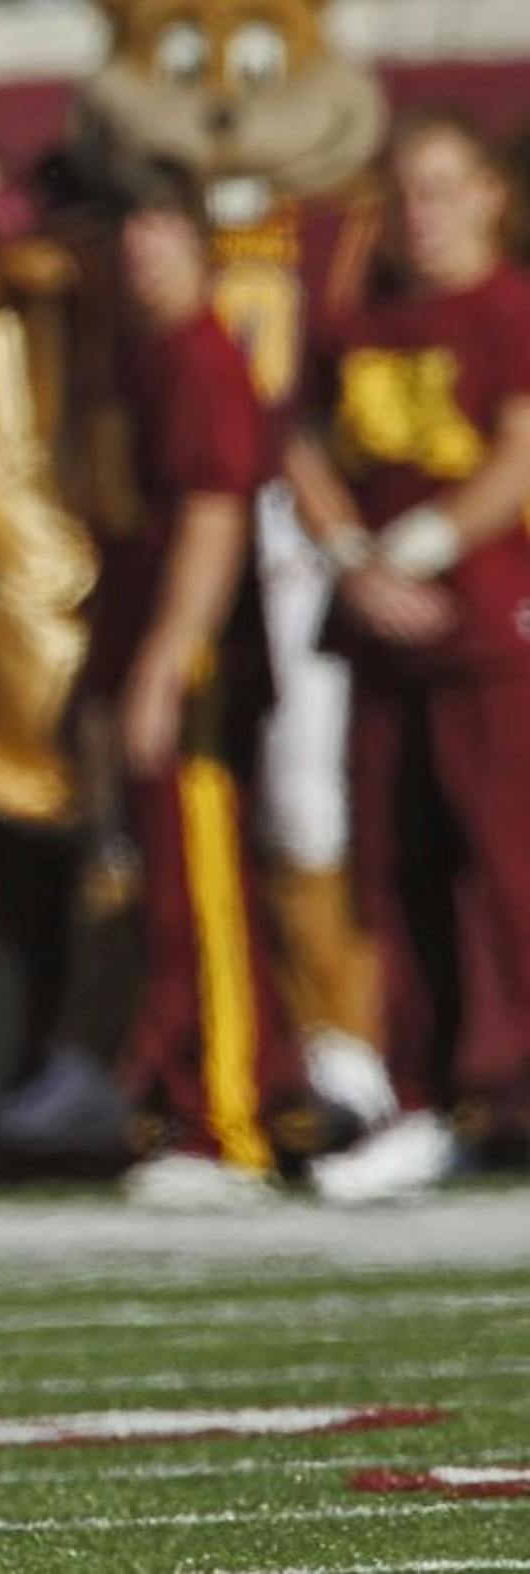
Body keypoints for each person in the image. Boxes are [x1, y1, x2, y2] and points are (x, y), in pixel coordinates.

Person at [287, 109, 530, 1201]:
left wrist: (421, 546)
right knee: (399, 874)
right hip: (386, 639)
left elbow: (520, 454)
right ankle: (432, 1099)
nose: (421, 214)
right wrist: (353, 556)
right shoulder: (360, 321)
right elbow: (295, 440)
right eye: (406, 192)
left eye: (443, 188)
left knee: (512, 867)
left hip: (487, 630)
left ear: (491, 196)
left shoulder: (508, 309)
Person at [69, 170, 304, 1202]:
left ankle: (229, 1116)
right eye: (133, 227)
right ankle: (208, 1093)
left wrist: (163, 662)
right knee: (163, 890)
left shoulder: (201, 355)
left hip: (194, 665)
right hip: (141, 649)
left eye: (166, 226)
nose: (144, 248)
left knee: (200, 893)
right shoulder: (136, 348)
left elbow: (215, 516)